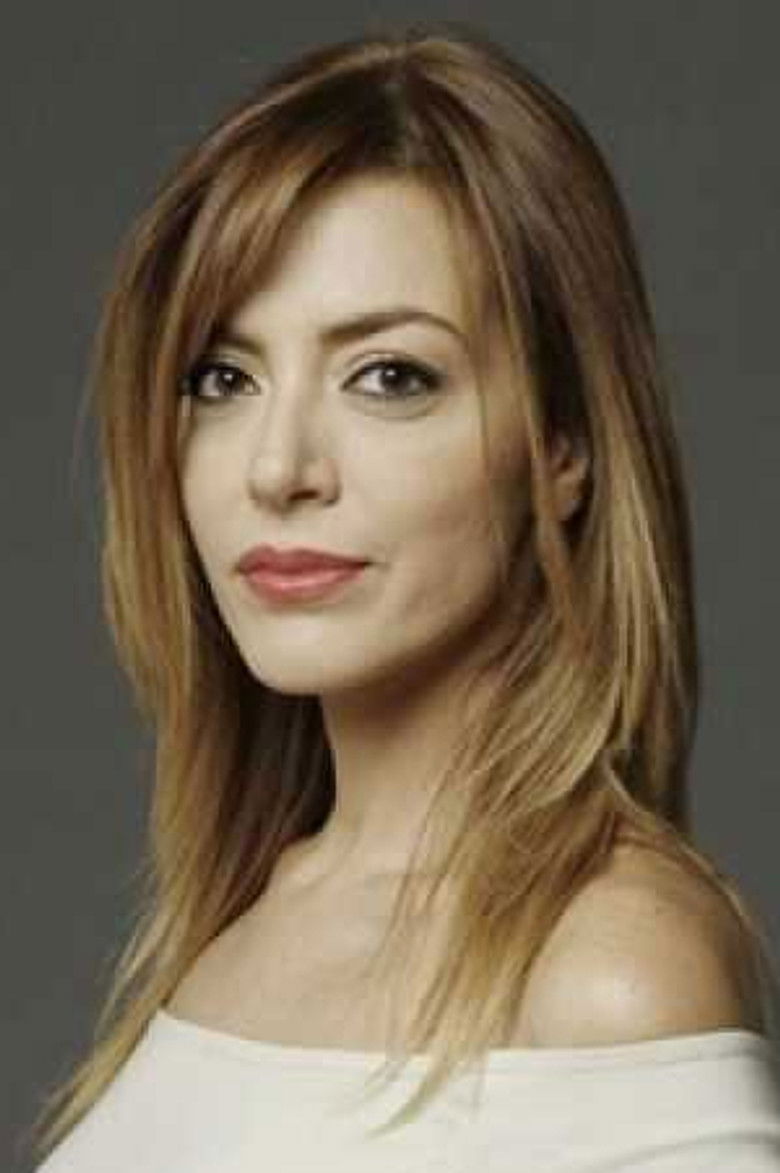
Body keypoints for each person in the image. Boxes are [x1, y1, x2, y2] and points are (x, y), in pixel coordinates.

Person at [28, 20, 780, 1172]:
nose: (278, 467)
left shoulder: (609, 974)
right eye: (223, 377)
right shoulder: (244, 915)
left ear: (564, 449)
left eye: (389, 376)